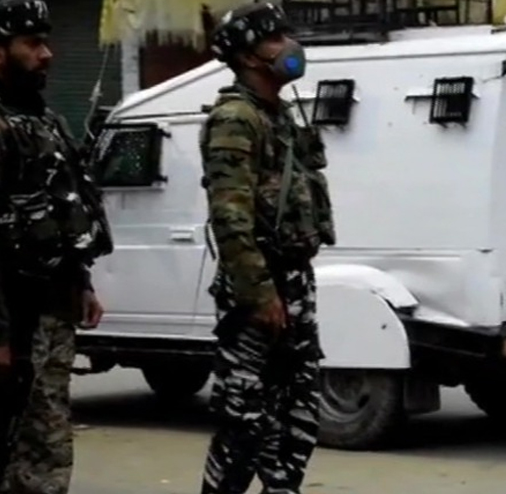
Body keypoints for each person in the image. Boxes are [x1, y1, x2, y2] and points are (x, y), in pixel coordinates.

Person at [0, 0, 114, 492]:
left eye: (46, 42)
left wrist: (81, 282)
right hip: (8, 317)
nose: (47, 54)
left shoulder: (44, 122)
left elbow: (63, 209)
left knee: (43, 445)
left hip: (50, 311)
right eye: (32, 44)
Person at [198, 2, 336, 493]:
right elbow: (230, 217)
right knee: (245, 421)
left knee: (298, 417)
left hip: (294, 283)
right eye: (274, 38)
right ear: (247, 56)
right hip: (258, 289)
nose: (288, 46)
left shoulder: (280, 115)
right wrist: (259, 293)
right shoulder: (235, 119)